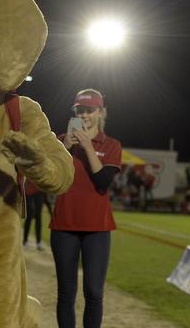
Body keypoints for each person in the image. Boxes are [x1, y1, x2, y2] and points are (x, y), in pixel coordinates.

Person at [49, 89, 122, 328]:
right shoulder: (60, 142)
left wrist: (88, 147)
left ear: (101, 112)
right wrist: (65, 149)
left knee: (93, 292)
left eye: (90, 110)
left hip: (97, 228)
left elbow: (102, 182)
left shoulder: (111, 145)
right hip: (64, 225)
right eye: (80, 110)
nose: (85, 115)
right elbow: (50, 179)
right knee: (66, 293)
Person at [23, 181, 45, 250]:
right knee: (29, 215)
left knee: (38, 216)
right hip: (28, 190)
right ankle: (25, 240)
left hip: (39, 190)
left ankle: (39, 242)